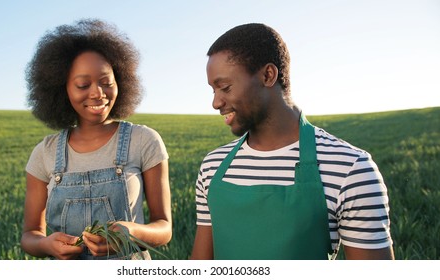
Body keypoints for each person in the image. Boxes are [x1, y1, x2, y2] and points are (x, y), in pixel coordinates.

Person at [190, 23, 394, 260]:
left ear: (268, 75)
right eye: (213, 90)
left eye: (224, 87)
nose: (216, 102)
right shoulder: (212, 167)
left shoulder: (351, 168)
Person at [21, 19, 172, 260]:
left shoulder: (144, 140)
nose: (97, 93)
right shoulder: (45, 153)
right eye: (83, 85)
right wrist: (47, 245)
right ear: (62, 89)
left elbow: (164, 228)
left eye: (106, 83)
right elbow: (30, 234)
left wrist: (128, 234)